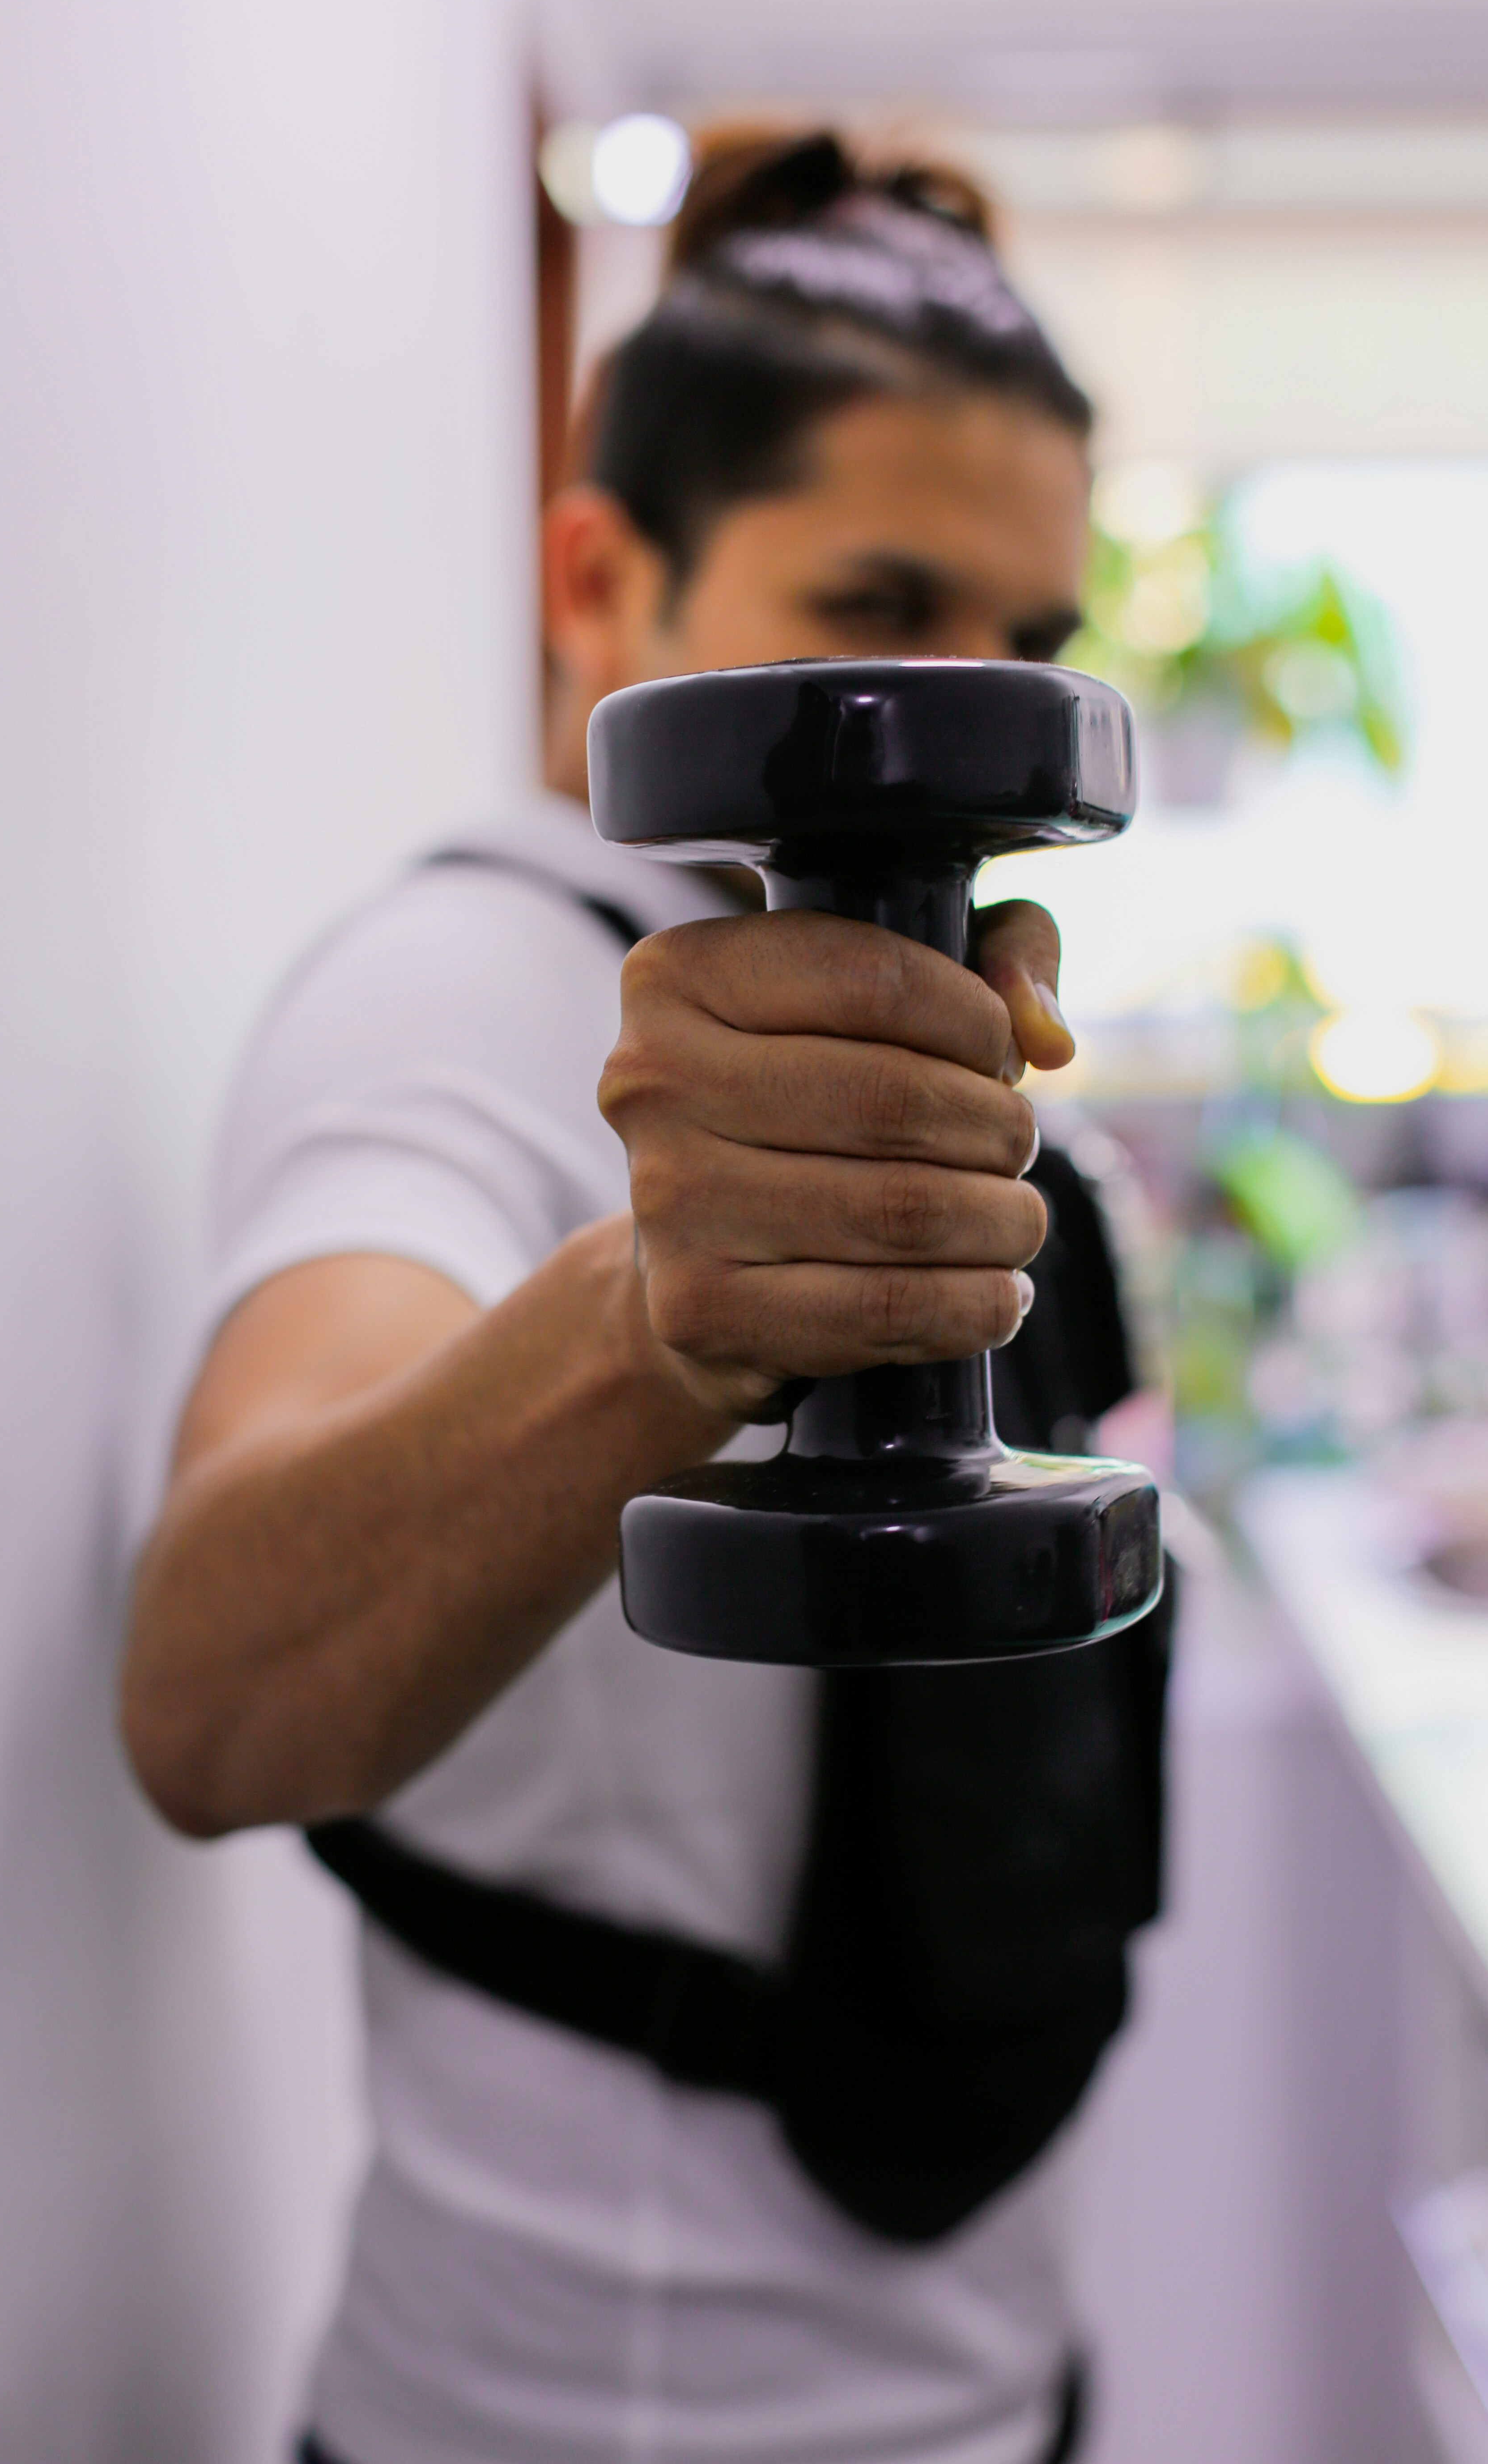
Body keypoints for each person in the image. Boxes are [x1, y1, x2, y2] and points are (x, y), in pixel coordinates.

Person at [121, 130, 1170, 2464]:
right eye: (883, 603)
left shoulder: (946, 1010)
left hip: (1003, 2397)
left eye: (1032, 641)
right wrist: (651, 1326)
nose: (968, 698)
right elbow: (207, 1697)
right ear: (602, 581)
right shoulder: (457, 999)